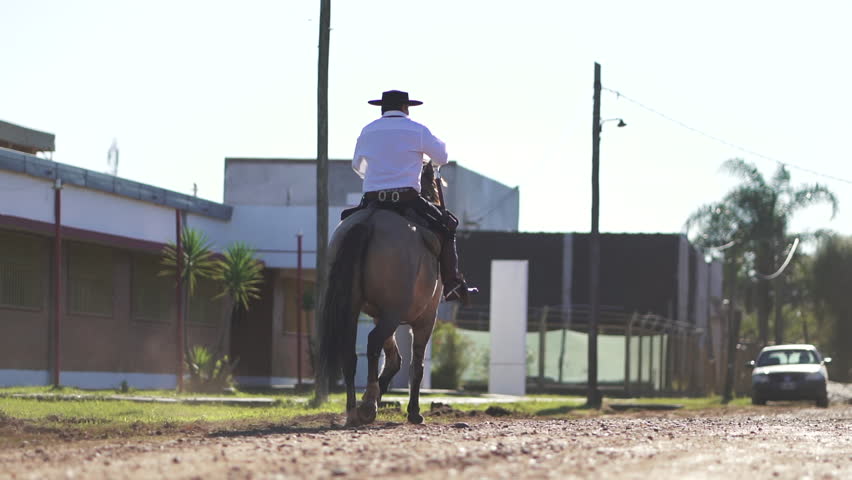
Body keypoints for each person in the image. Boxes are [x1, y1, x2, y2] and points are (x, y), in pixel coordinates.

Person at [346, 90, 478, 305]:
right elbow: (442, 157)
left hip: (372, 199)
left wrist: (376, 176)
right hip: (407, 199)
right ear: (405, 108)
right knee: (448, 226)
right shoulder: (417, 129)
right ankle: (452, 284)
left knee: (346, 224)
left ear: (382, 108)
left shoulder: (367, 131)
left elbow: (357, 166)